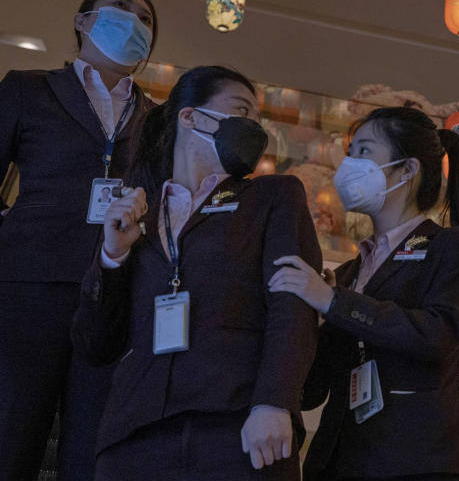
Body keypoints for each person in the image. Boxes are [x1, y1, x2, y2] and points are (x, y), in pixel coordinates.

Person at [0, 0, 158, 481]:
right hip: (25, 295)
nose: (134, 21)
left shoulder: (157, 120)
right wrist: (25, 242)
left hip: (110, 303)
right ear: (84, 22)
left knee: (91, 459)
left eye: (146, 19)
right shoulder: (28, 89)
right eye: (121, 8)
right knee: (4, 450)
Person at [71, 66, 320, 481]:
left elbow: (291, 306)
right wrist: (112, 256)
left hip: (237, 423)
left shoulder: (272, 196)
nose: (252, 128)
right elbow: (95, 344)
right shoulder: (138, 209)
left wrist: (275, 401)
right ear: (190, 116)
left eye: (257, 120)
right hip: (137, 433)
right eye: (241, 111)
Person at [268, 106, 459, 480]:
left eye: (365, 152)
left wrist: (334, 302)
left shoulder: (451, 246)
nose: (349, 165)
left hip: (417, 461)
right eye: (350, 154)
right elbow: (312, 391)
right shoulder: (349, 273)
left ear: (408, 168)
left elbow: (438, 334)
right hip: (341, 461)